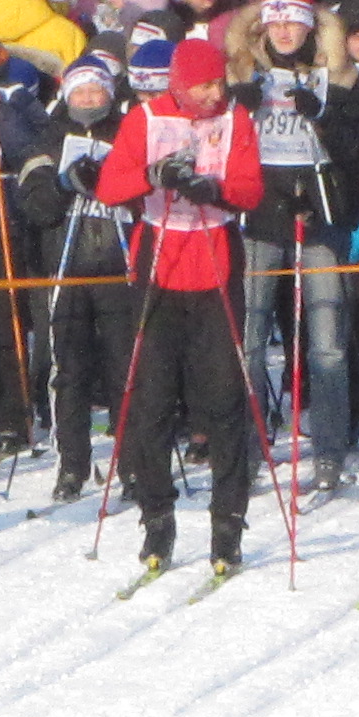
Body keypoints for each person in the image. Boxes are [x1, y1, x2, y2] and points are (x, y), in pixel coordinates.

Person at [99, 31, 269, 584]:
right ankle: (157, 517)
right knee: (150, 402)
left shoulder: (235, 117)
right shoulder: (145, 119)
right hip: (158, 264)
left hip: (217, 260)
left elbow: (250, 190)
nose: (212, 92)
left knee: (223, 400)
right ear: (178, 82)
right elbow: (109, 186)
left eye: (218, 81)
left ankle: (228, 524)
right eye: (201, 84)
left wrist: (209, 187)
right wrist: (155, 175)